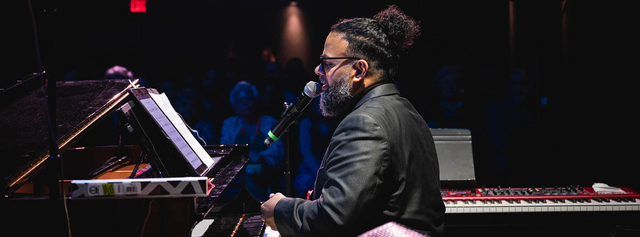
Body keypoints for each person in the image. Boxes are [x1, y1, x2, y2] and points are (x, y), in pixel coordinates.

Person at [261, 5, 445, 236]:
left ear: (359, 70)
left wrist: (281, 208)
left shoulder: (365, 123)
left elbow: (332, 218)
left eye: (328, 63)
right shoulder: (407, 111)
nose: (319, 70)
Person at [220, 81, 285, 201]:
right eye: (240, 100)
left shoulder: (269, 122)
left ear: (255, 100)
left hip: (266, 173)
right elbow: (226, 153)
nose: (245, 102)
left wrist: (259, 157)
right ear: (235, 106)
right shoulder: (230, 124)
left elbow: (278, 151)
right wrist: (249, 160)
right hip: (238, 174)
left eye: (248, 98)